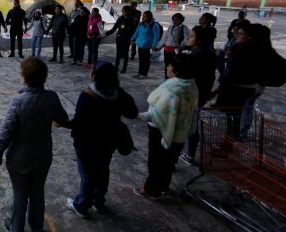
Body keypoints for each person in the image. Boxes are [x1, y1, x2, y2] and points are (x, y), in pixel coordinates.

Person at [0, 57, 70, 232]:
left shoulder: (18, 101)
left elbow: (6, 133)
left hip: (20, 157)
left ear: (24, 78)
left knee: (20, 193)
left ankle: (17, 229)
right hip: (43, 154)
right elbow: (63, 119)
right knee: (37, 191)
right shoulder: (51, 97)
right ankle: (36, 227)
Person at [67, 62, 138, 217]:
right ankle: (98, 201)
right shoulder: (119, 93)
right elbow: (132, 113)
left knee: (87, 174)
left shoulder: (87, 96)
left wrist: (63, 124)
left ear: (94, 76)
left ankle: (81, 205)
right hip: (109, 140)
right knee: (103, 170)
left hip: (87, 142)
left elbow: (79, 123)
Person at [134, 54, 199, 199]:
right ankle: (164, 186)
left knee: (156, 162)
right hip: (179, 132)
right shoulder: (191, 85)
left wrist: (134, 115)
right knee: (168, 161)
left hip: (161, 131)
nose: (167, 67)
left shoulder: (174, 90)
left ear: (177, 71)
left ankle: (151, 190)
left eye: (170, 65)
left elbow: (156, 115)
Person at [179, 26, 217, 164]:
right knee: (192, 123)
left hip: (192, 94)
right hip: (201, 93)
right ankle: (189, 154)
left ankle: (181, 156)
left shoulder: (196, 55)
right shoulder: (209, 52)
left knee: (184, 125)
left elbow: (185, 75)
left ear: (200, 40)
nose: (188, 38)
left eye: (192, 36)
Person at [155, 13, 190, 79]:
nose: (174, 21)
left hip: (175, 50)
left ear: (181, 20)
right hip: (166, 49)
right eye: (173, 20)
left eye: (176, 20)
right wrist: (158, 47)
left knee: (174, 66)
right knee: (167, 66)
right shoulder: (170, 27)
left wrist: (181, 45)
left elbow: (187, 38)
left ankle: (173, 78)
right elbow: (164, 38)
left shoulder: (184, 28)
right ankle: (166, 78)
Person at [104, 6, 136, 74]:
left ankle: (124, 68)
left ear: (128, 11)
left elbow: (133, 31)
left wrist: (133, 39)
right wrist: (106, 34)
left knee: (125, 54)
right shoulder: (120, 19)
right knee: (118, 54)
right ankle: (116, 67)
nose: (123, 12)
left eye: (124, 11)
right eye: (122, 11)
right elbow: (114, 29)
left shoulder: (131, 20)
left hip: (127, 40)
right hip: (119, 39)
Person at [130, 11, 161, 79]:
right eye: (143, 16)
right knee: (141, 60)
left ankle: (144, 74)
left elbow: (156, 36)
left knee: (146, 61)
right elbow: (137, 32)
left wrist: (154, 45)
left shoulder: (154, 25)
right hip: (140, 44)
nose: (143, 18)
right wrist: (132, 39)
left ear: (150, 17)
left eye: (145, 16)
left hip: (147, 46)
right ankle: (139, 73)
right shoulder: (141, 24)